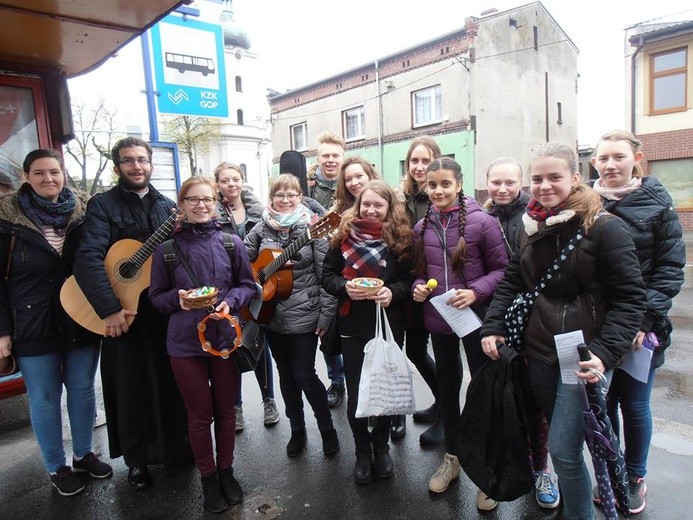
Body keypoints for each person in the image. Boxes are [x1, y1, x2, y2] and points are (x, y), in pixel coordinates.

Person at [480, 142, 646, 520]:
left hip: (582, 357)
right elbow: (512, 280)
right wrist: (493, 325)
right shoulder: (531, 226)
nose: (544, 186)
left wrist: (603, 354)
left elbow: (630, 299)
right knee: (565, 445)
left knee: (563, 450)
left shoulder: (605, 228)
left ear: (575, 177)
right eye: (537, 178)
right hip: (539, 351)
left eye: (555, 177)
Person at [73, 137, 192, 490]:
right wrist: (109, 309)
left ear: (151, 165)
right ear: (117, 167)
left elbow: (182, 256)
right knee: (129, 390)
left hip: (161, 313)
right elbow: (88, 258)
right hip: (120, 314)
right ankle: (137, 461)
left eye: (142, 160)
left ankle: (175, 450)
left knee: (170, 383)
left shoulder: (169, 207)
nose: (136, 166)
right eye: (128, 161)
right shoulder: (102, 206)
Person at [0, 149, 112, 496]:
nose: (48, 179)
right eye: (39, 173)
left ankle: (83, 454)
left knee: (81, 390)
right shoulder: (8, 220)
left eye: (54, 172)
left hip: (80, 318)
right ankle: (56, 466)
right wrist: (2, 331)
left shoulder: (83, 214)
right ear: (27, 177)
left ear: (63, 174)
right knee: (45, 398)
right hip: (33, 322)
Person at [149, 176, 257, 513]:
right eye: (193, 200)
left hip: (223, 339)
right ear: (180, 206)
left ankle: (226, 472)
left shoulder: (229, 242)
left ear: (216, 202)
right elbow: (155, 297)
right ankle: (208, 478)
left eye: (207, 199)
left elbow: (248, 285)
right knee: (199, 416)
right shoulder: (166, 250)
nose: (201, 205)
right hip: (184, 344)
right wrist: (177, 300)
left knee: (226, 411)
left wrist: (231, 301)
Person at [591, 130, 685, 514]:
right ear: (593, 162)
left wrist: (643, 320)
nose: (610, 165)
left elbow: (670, 269)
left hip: (641, 329)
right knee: (602, 402)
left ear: (637, 159)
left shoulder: (659, 204)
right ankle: (609, 468)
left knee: (634, 403)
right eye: (603, 158)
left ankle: (634, 475)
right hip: (597, 324)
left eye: (618, 157)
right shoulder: (586, 203)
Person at [411, 157, 509, 501]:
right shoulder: (422, 227)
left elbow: (503, 270)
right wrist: (419, 287)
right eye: (433, 185)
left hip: (477, 321)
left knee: (482, 394)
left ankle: (487, 470)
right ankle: (451, 458)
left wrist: (475, 291)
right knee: (449, 390)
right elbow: (419, 272)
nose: (438, 190)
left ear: (459, 184)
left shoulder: (483, 222)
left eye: (445, 184)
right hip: (440, 321)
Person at [322, 180, 413, 484]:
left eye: (379, 205)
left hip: (388, 324)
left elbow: (409, 281)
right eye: (366, 204)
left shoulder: (400, 238)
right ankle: (363, 452)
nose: (371, 210)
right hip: (352, 325)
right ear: (358, 205)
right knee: (360, 393)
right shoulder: (342, 237)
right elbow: (327, 276)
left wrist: (392, 293)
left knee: (384, 389)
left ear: (389, 208)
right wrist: (344, 288)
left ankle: (382, 448)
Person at [244, 174, 339, 457]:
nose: (285, 200)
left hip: (305, 314)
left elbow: (326, 276)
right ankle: (297, 429)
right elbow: (240, 260)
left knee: (305, 374)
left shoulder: (313, 228)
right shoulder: (260, 228)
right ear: (271, 197)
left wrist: (325, 316)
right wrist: (254, 278)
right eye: (280, 195)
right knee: (285, 376)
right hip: (270, 315)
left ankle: (327, 429)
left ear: (301, 197)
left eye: (292, 195)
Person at [484, 157, 560, 509]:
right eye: (495, 182)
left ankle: (543, 468)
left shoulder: (532, 218)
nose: (501, 189)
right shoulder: (482, 218)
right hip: (498, 318)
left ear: (520, 184)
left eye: (509, 182)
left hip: (537, 322)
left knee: (538, 401)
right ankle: (518, 463)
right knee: (506, 397)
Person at [214, 162, 280, 431]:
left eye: (236, 179)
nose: (231, 184)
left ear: (243, 181)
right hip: (227, 286)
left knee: (258, 342)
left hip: (255, 282)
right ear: (217, 184)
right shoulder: (214, 215)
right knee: (232, 345)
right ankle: (236, 405)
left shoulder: (259, 212)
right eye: (225, 180)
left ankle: (269, 401)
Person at [400, 136, 443, 444]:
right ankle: (443, 402)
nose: (419, 167)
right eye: (414, 161)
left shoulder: (441, 195)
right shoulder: (399, 197)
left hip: (436, 288)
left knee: (443, 354)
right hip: (407, 287)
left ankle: (448, 412)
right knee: (414, 350)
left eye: (425, 161)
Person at [308, 131, 347, 409]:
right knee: (327, 331)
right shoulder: (309, 189)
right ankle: (337, 380)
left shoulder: (354, 182)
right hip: (322, 263)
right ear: (318, 158)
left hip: (354, 264)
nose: (330, 160)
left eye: (335, 155)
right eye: (326, 156)